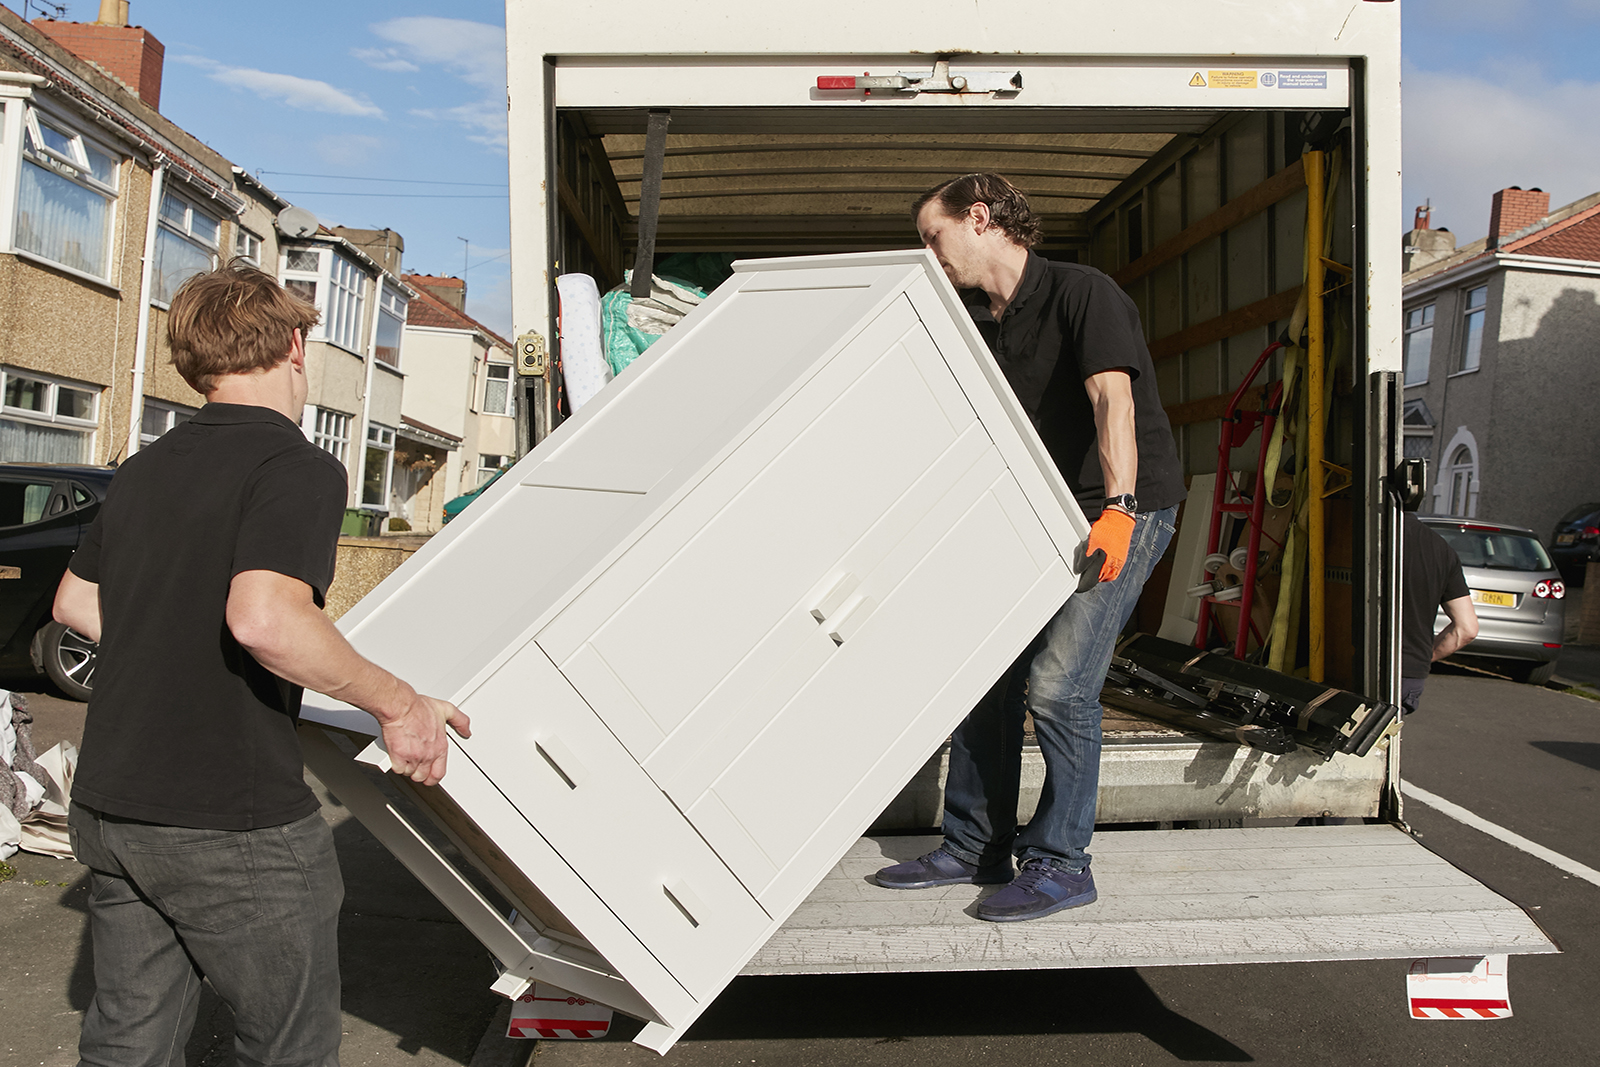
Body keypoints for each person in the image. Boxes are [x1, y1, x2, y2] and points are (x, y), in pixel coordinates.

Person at [52, 261, 471, 1067]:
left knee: (126, 1045)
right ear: (293, 345)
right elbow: (265, 619)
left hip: (112, 809)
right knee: (287, 1049)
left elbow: (74, 602)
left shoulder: (142, 471)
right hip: (231, 827)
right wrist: (398, 702)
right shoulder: (296, 466)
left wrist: (170, 644)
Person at [875, 173, 1185, 922]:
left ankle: (1061, 862)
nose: (928, 253)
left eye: (932, 236)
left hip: (1122, 506)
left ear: (978, 219)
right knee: (986, 672)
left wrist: (1117, 509)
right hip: (1039, 510)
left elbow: (1112, 399)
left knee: (1058, 682)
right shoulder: (982, 321)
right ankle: (975, 844)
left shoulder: (1085, 293)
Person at [1400, 512, 1479, 713]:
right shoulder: (1442, 549)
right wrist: (1423, 657)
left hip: (1352, 665)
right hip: (1408, 673)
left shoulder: (1357, 534)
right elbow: (1467, 629)